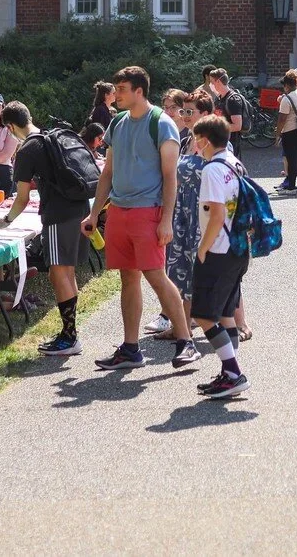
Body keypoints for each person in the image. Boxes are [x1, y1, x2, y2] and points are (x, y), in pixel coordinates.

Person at [81, 66, 199, 373]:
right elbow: (108, 171)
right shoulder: (118, 123)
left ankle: (186, 342)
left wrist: (166, 220)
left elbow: (170, 176)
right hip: (119, 211)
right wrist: (95, 212)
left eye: (122, 90)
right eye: (116, 89)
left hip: (149, 212)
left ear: (139, 92)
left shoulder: (161, 123)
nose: (116, 95)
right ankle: (131, 348)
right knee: (128, 277)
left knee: (156, 276)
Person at [1, 101, 86, 357]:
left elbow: (22, 198)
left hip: (58, 214)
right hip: (79, 209)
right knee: (66, 272)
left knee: (58, 274)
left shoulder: (28, 149)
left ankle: (70, 338)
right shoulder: (50, 136)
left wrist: (5, 221)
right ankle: (69, 333)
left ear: (11, 126)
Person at [189, 113, 253, 399]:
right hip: (238, 246)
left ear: (204, 140)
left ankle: (234, 371)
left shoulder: (212, 170)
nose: (193, 144)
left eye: (194, 139)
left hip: (218, 250)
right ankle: (229, 374)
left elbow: (216, 214)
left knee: (203, 314)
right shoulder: (234, 162)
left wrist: (202, 248)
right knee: (227, 314)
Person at [144, 90, 209, 340]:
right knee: (178, 267)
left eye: (189, 111)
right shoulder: (185, 140)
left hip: (201, 213)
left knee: (203, 270)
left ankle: (225, 327)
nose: (184, 116)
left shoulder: (210, 142)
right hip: (181, 212)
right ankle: (181, 325)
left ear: (205, 113)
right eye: (183, 111)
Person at [207, 69, 248, 155]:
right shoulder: (219, 99)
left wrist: (217, 129)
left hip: (231, 145)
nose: (210, 85)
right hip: (219, 143)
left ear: (218, 81)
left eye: (211, 81)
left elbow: (237, 126)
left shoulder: (233, 100)